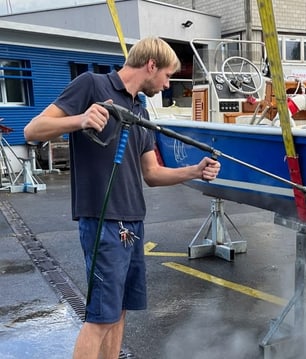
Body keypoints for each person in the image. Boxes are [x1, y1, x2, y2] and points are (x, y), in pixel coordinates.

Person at [23, 37, 220, 359]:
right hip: (103, 219)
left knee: (120, 311)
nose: (168, 84)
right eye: (168, 75)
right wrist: (81, 119)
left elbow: (152, 174)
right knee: (101, 317)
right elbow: (33, 130)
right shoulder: (91, 84)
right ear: (151, 65)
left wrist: (194, 171)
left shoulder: (140, 111)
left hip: (133, 221)